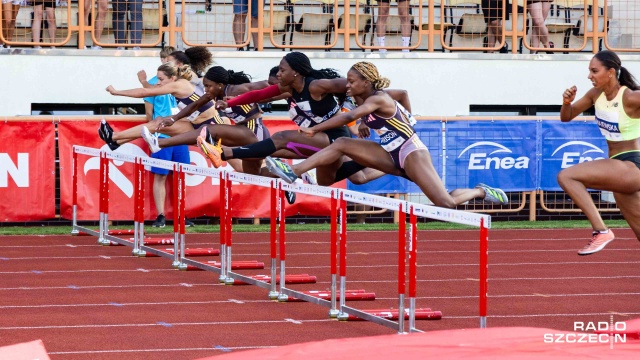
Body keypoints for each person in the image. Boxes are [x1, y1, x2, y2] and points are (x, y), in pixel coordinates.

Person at [265, 61, 509, 211]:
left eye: (351, 82)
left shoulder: (379, 97)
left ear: (366, 82)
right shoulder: (362, 96)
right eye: (347, 82)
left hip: (410, 151)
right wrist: (400, 117)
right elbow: (401, 94)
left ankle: (480, 191)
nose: (346, 86)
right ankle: (294, 172)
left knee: (445, 203)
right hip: (390, 152)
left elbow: (352, 115)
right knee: (344, 148)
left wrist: (315, 129)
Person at [558, 50, 640, 255]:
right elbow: (566, 117)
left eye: (594, 71)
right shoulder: (596, 95)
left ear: (611, 72)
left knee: (567, 176)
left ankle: (601, 231)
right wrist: (566, 103)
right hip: (617, 169)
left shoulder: (630, 97)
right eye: (589, 71)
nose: (589, 76)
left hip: (631, 166)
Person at [143, 65, 270, 176]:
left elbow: (267, 86)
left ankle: (159, 143)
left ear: (219, 85)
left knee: (209, 130)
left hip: (254, 130)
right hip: (241, 130)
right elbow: (194, 106)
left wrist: (273, 96)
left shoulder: (237, 89)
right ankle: (285, 177)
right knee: (254, 174)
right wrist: (173, 118)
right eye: (204, 86)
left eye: (208, 86)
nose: (205, 89)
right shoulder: (213, 94)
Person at [100, 62, 223, 150]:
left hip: (212, 125)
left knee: (237, 165)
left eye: (161, 79)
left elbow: (145, 92)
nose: (158, 82)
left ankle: (115, 137)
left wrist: (117, 92)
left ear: (172, 78)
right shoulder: (175, 85)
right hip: (195, 124)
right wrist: (144, 82)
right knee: (159, 122)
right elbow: (151, 90)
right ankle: (116, 140)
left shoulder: (179, 85)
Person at [143, 46, 193, 228]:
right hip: (162, 135)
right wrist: (155, 129)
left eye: (170, 60)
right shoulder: (154, 82)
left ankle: (182, 214)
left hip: (181, 135)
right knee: (160, 176)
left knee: (181, 176)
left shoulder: (183, 82)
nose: (166, 62)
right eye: (164, 59)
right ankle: (161, 215)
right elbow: (149, 113)